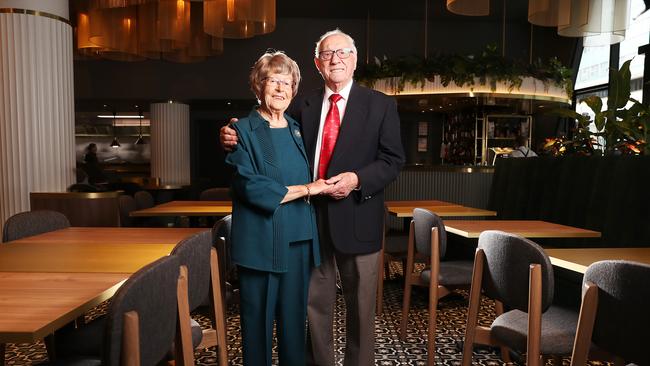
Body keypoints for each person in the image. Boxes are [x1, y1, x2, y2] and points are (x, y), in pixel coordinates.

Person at [221, 29, 405, 366]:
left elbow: (393, 161)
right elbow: (266, 124)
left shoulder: (380, 105)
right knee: (313, 308)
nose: (335, 59)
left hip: (358, 218)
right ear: (317, 63)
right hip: (310, 223)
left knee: (361, 311)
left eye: (343, 52)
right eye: (327, 54)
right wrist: (234, 132)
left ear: (355, 59)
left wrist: (357, 179)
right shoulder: (301, 106)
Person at [225, 50, 330, 366]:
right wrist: (308, 189)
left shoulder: (298, 129)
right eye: (274, 81)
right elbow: (251, 187)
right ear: (259, 85)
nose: (281, 89)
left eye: (287, 83)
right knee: (256, 330)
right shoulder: (241, 131)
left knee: (294, 328)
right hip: (260, 243)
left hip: (298, 242)